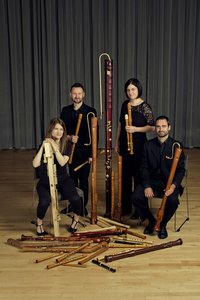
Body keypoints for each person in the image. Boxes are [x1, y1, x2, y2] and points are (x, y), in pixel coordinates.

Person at [131, 115, 185, 239]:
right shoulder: (148, 145)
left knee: (173, 201)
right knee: (135, 197)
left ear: (169, 127)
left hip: (169, 183)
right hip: (152, 182)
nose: (161, 129)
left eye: (164, 126)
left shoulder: (177, 145)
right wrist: (147, 186)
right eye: (158, 126)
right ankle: (152, 221)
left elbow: (181, 170)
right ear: (155, 128)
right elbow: (143, 168)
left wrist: (173, 186)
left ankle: (163, 224)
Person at [32, 118, 82, 236]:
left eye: (61, 129)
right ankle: (39, 223)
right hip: (45, 180)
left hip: (63, 179)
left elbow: (62, 162)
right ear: (51, 130)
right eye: (56, 129)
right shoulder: (44, 144)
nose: (59, 132)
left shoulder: (67, 144)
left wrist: (55, 148)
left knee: (75, 198)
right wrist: (43, 146)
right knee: (44, 202)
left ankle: (76, 219)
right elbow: (35, 164)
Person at [115, 78, 155, 216]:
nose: (130, 92)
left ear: (138, 89)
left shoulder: (145, 106)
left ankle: (139, 209)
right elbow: (120, 124)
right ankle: (126, 207)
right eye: (128, 90)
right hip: (125, 144)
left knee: (138, 176)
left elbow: (152, 127)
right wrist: (116, 142)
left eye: (133, 89)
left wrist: (135, 129)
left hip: (139, 146)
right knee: (125, 176)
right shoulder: (124, 104)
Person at [60, 83, 98, 216]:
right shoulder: (65, 111)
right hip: (69, 152)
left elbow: (94, 135)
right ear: (70, 94)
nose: (77, 96)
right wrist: (69, 137)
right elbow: (61, 132)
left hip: (85, 153)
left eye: (79, 93)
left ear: (84, 94)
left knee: (83, 181)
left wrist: (93, 154)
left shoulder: (91, 111)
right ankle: (73, 204)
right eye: (74, 93)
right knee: (71, 181)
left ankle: (82, 207)